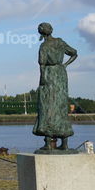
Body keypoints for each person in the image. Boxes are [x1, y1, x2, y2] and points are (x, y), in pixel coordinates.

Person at [33, 22, 77, 151]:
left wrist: (43, 79)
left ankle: (48, 142)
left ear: (40, 33)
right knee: (61, 105)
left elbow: (42, 64)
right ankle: (65, 143)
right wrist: (65, 65)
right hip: (61, 74)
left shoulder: (44, 46)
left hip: (49, 73)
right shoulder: (60, 42)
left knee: (47, 106)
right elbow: (74, 53)